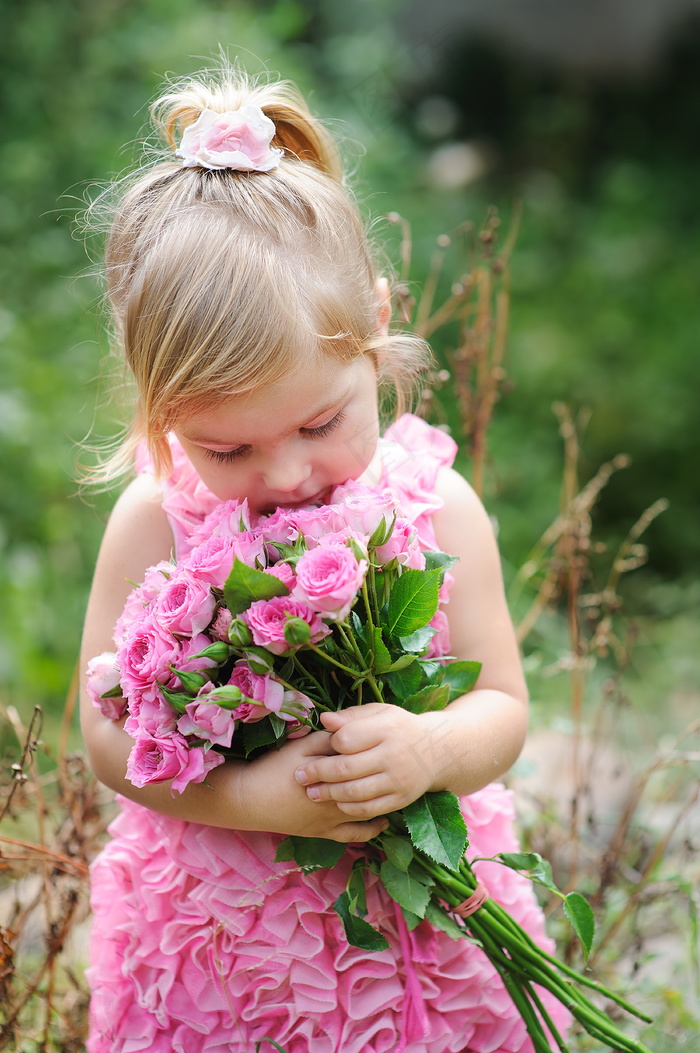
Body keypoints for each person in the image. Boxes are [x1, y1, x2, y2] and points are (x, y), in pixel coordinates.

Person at [80, 65, 568, 1053]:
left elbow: (504, 708)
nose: (288, 471)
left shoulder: (436, 507)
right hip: (220, 942)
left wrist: (431, 751)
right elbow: (106, 738)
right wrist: (249, 798)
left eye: (319, 420)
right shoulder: (154, 521)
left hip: (414, 926)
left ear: (376, 324)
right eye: (227, 449)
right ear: (158, 410)